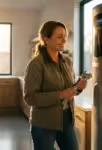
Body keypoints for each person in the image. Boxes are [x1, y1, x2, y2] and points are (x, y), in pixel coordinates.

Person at [24, 21, 87, 150]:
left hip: (66, 119)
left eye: (65, 36)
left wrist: (78, 87)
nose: (64, 40)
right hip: (44, 123)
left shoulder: (67, 61)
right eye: (59, 37)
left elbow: (70, 90)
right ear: (46, 39)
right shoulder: (36, 65)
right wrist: (60, 95)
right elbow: (30, 98)